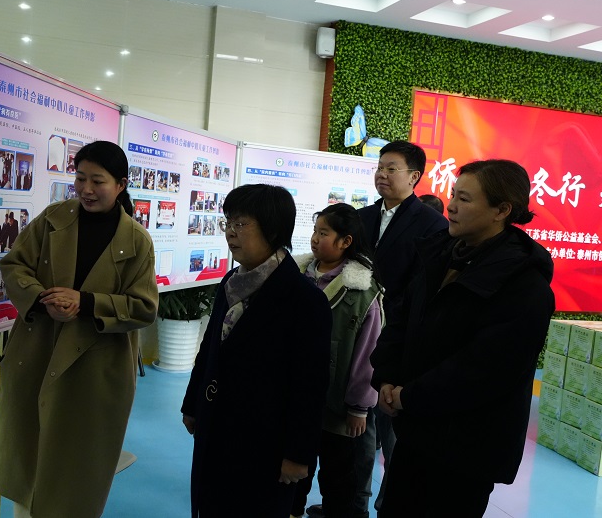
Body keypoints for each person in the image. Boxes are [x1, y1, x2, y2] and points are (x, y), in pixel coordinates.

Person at [370, 160, 555, 517]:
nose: (451, 206)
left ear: (502, 210)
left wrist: (410, 396)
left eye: (465, 199)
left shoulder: (524, 284)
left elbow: (486, 369)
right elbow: (401, 321)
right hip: (415, 429)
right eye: (453, 195)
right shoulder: (439, 254)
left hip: (466, 447)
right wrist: (387, 377)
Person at [0, 140, 158, 518]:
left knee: (77, 467)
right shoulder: (53, 220)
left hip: (96, 365)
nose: (86, 189)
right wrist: (42, 299)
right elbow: (14, 266)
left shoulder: (136, 241)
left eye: (98, 181)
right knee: (28, 459)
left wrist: (85, 302)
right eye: (80, 178)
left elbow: (144, 307)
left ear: (121, 185)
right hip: (39, 350)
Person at [181, 184, 331, 518]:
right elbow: (210, 349)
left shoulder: (304, 300)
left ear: (273, 230)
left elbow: (310, 385)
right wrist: (193, 404)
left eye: (241, 224)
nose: (230, 233)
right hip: (216, 427)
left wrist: (298, 454)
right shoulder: (231, 281)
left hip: (265, 442)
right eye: (228, 223)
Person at [354, 140, 447, 514]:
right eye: (379, 167)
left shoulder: (433, 225)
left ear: (414, 176)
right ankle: (354, 502)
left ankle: (389, 505)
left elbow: (422, 289)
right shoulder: (360, 218)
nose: (382, 174)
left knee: (391, 427)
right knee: (357, 424)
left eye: (391, 168)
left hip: (396, 340)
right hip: (356, 335)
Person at [292, 203, 384, 518]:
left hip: (339, 407)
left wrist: (359, 407)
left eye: (324, 233)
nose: (315, 239)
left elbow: (367, 355)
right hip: (297, 399)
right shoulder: (297, 275)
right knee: (293, 472)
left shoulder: (362, 292)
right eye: (314, 231)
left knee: (338, 477)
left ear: (346, 241)